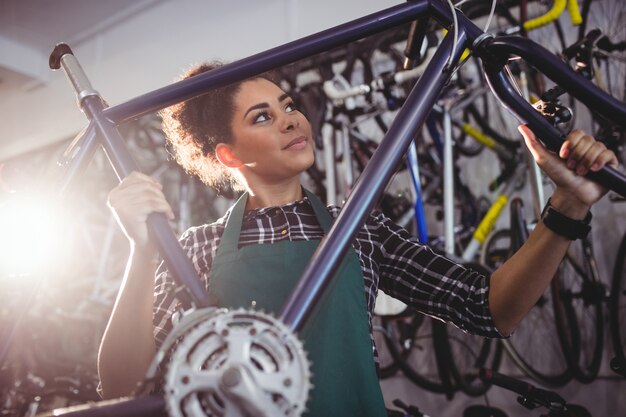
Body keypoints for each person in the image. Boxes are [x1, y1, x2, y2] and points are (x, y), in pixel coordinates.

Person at [97, 61, 617, 415]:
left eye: (286, 104)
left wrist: (568, 205)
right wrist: (142, 254)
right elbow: (120, 385)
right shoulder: (195, 248)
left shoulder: (358, 226)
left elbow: (488, 309)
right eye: (263, 117)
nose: (290, 120)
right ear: (229, 155)